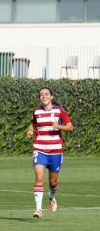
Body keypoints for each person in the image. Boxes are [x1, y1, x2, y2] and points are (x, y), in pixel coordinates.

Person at [26, 87, 73, 219]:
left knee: (53, 182)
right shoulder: (37, 112)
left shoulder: (59, 111)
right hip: (39, 149)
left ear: (52, 97)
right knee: (39, 178)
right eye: (41, 95)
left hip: (56, 151)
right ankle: (38, 209)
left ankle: (51, 197)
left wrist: (59, 126)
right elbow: (32, 124)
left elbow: (70, 127)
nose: (44, 96)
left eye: (46, 94)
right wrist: (30, 131)